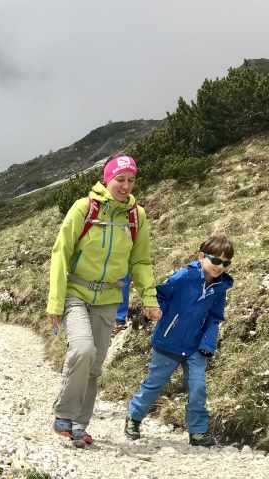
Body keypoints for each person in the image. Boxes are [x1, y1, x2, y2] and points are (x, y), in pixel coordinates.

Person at [47, 155, 161, 447]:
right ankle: (63, 413)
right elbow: (61, 253)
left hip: (109, 297)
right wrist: (55, 302)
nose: (125, 186)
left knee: (95, 365)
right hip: (76, 292)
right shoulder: (84, 208)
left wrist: (149, 298)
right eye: (119, 179)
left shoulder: (137, 217)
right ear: (106, 179)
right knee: (82, 350)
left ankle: (78, 425)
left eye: (130, 180)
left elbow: (141, 261)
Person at [123, 234, 234, 447]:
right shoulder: (184, 276)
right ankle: (134, 418)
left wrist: (208, 344)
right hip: (168, 342)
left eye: (226, 263)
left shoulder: (220, 288)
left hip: (196, 347)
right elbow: (161, 295)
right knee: (154, 384)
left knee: (198, 387)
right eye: (216, 260)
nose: (220, 266)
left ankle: (198, 432)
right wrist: (157, 312)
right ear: (202, 256)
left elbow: (214, 318)